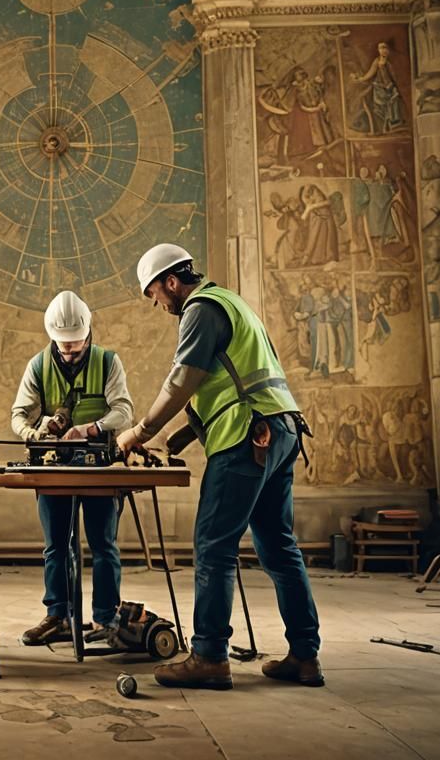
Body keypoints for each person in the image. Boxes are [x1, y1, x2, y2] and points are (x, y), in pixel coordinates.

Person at [117, 244, 322, 690]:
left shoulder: (199, 308)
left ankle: (209, 655)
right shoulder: (231, 302)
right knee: (279, 548)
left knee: (214, 545)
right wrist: (178, 438)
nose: (157, 304)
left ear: (172, 281)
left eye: (155, 293)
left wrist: (139, 432)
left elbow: (183, 378)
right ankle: (305, 657)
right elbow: (225, 380)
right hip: (281, 429)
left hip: (247, 435)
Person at [11, 291, 133, 645]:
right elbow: (19, 414)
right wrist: (37, 430)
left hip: (99, 468)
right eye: (63, 347)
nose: (69, 353)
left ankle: (106, 619)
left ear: (89, 335)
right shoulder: (38, 365)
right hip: (54, 468)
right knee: (56, 546)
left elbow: (124, 410)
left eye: (76, 347)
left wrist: (92, 428)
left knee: (103, 545)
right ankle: (58, 616)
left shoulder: (108, 361)